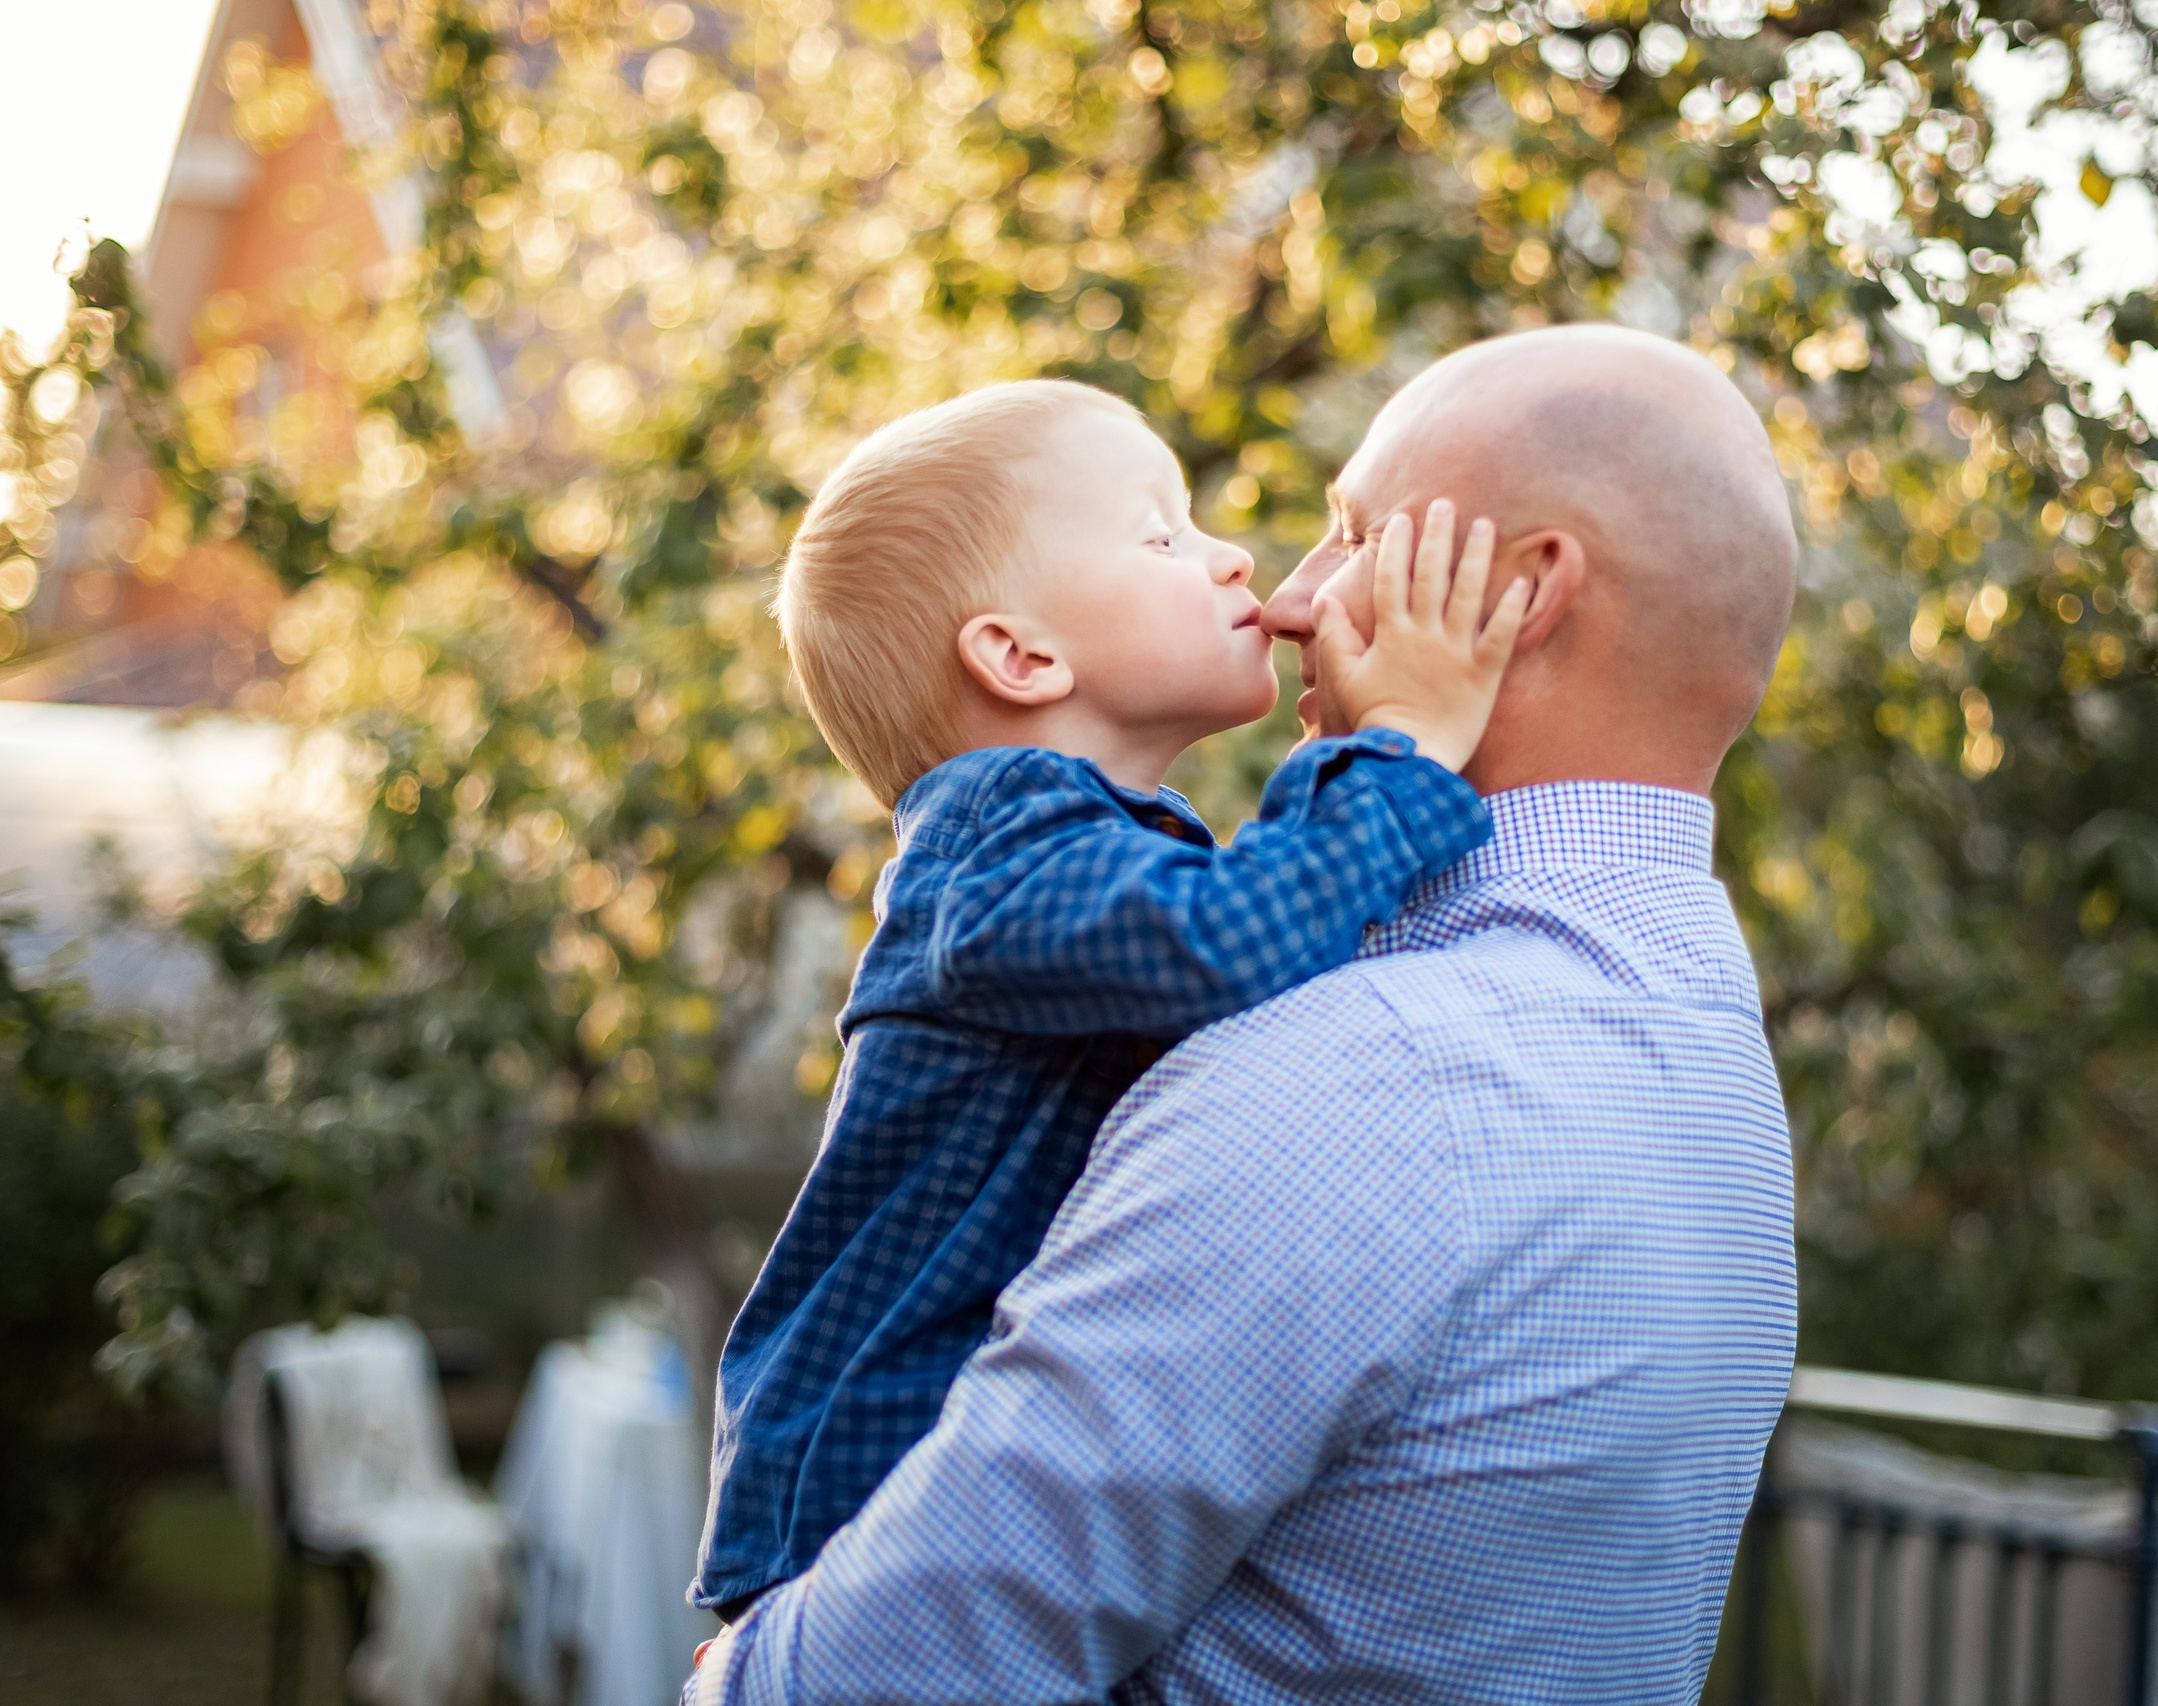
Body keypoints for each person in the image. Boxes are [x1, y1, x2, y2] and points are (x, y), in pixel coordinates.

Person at [691, 324, 1803, 1705]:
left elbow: (875, 1682)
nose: (1280, 592)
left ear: (1525, 591)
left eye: (1350, 534)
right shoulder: (1713, 1063)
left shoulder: (1356, 1083)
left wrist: (736, 1678)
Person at [694, 378, 1532, 1622]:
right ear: (1021, 655)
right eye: (1162, 534)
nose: (1232, 553)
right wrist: (1401, 739)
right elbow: (1231, 939)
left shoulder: (1092, 850)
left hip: (931, 1484)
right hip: (863, 1501)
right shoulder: (997, 840)